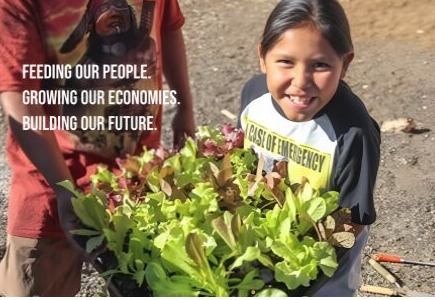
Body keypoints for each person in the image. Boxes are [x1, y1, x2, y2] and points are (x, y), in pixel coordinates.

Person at [0, 0, 195, 296]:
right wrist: (64, 188)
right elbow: (19, 96)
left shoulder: (139, 43)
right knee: (33, 286)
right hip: (49, 192)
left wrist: (185, 109)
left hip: (135, 183)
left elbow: (168, 27)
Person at [238, 0, 380, 296]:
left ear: (345, 64)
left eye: (320, 65)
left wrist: (303, 277)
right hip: (261, 256)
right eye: (286, 62)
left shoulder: (353, 132)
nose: (301, 82)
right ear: (262, 57)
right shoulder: (254, 99)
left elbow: (352, 222)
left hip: (324, 277)